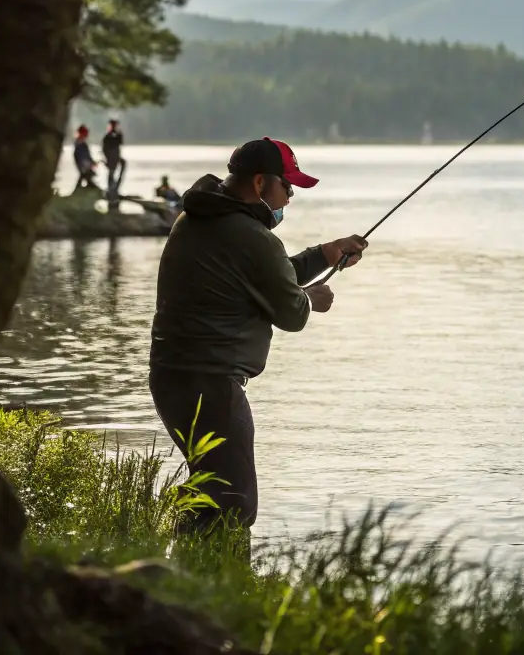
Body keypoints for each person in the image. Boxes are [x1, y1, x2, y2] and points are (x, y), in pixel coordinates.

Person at [149, 137, 368, 535]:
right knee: (234, 503)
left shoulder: (201, 218)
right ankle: (209, 583)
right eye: (287, 186)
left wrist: (327, 252)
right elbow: (290, 312)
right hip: (210, 383)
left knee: (211, 490)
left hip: (175, 378)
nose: (289, 198)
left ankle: (174, 560)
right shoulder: (251, 236)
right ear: (260, 183)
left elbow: (266, 273)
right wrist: (311, 298)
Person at [103, 119, 125, 198]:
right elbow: (105, 149)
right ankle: (111, 191)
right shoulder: (107, 137)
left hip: (115, 158)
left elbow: (120, 142)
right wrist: (107, 158)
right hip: (111, 159)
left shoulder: (116, 135)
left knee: (115, 174)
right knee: (111, 174)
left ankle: (114, 190)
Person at [72, 125, 97, 190]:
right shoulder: (79, 144)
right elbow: (81, 157)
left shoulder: (81, 144)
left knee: (84, 178)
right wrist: (89, 164)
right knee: (85, 177)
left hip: (85, 167)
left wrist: (92, 162)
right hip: (84, 167)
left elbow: (87, 156)